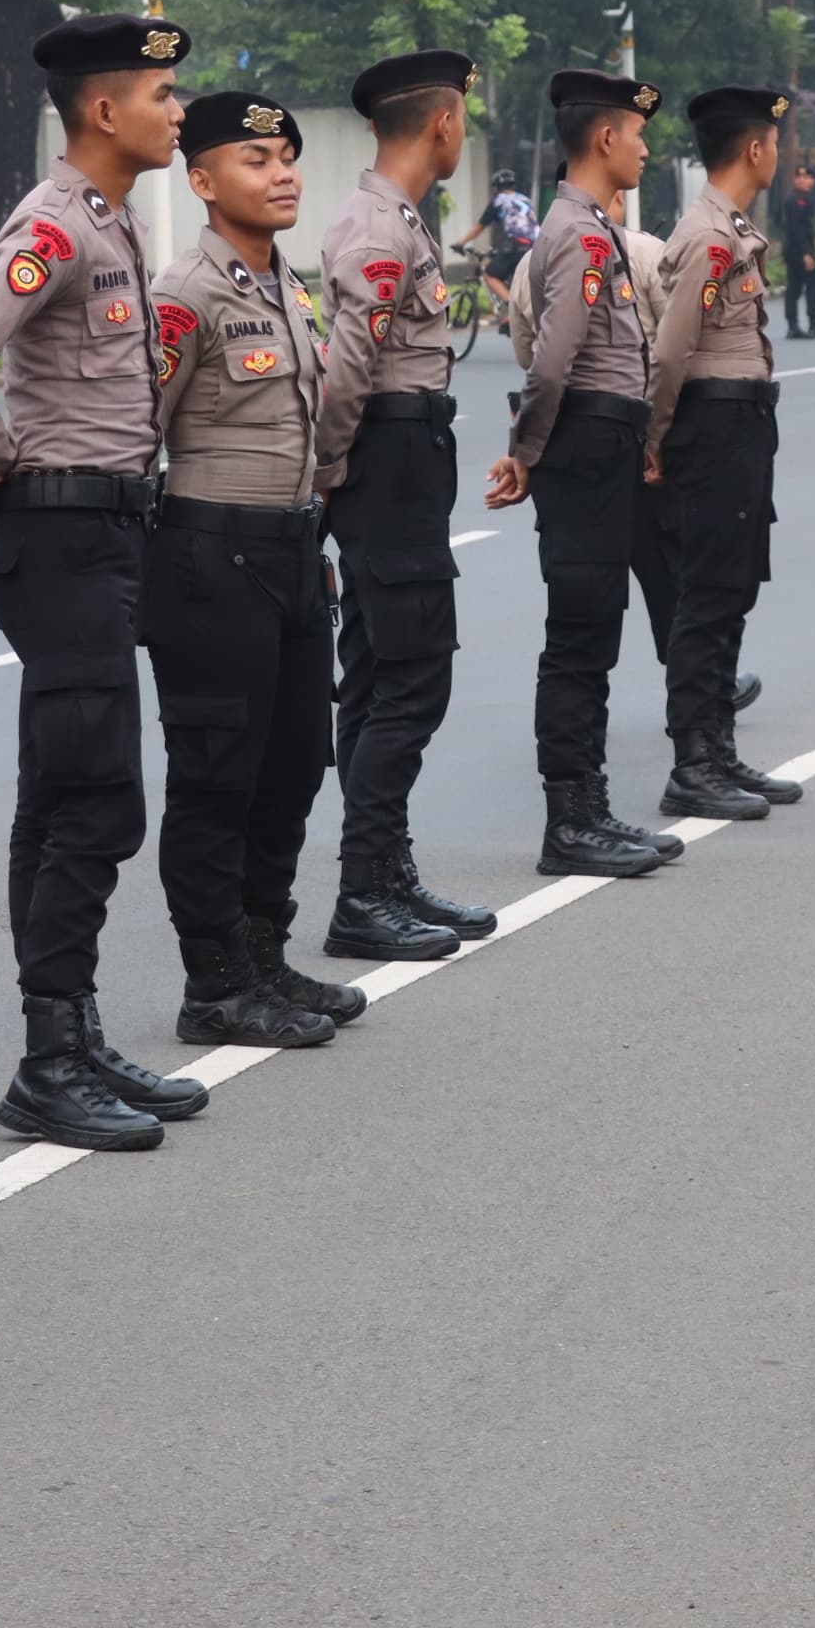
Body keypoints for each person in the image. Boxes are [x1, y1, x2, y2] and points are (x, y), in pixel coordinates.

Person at [0, 13, 210, 1150]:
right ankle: (48, 1055)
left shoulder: (110, 223)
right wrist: (0, 469)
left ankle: (69, 1031)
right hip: (63, 533)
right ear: (103, 109)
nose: (176, 111)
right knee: (94, 791)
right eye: (163, 93)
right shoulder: (54, 225)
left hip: (101, 534)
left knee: (65, 785)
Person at [141, 92, 359, 1049]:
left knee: (292, 764)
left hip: (291, 553)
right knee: (217, 774)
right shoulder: (184, 294)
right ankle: (215, 982)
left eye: (287, 159)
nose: (282, 175)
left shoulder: (287, 287)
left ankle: (264, 951)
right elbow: (134, 430)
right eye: (256, 160)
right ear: (201, 180)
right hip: (209, 556)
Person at [313, 49, 501, 962]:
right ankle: (362, 890)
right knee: (412, 677)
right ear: (443, 124)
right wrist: (330, 469)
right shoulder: (380, 230)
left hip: (400, 459)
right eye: (462, 113)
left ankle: (384, 871)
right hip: (387, 462)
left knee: (383, 674)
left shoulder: (397, 222)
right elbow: (349, 368)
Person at [482, 68, 681, 879]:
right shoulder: (579, 235)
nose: (645, 150)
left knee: (593, 635)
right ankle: (570, 820)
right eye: (637, 135)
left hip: (604, 441)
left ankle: (589, 809)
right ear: (605, 139)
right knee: (578, 640)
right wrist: (526, 453)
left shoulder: (587, 227)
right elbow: (556, 358)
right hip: (585, 447)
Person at [645, 88, 804, 823]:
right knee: (707, 597)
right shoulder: (709, 237)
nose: (781, 152)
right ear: (754, 149)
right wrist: (654, 439)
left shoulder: (729, 228)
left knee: (733, 588)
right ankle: (691, 764)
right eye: (776, 140)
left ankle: (719, 750)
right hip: (710, 427)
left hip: (739, 424)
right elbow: (672, 350)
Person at [457, 166, 539, 288]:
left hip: (515, 247)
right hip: (536, 247)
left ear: (495, 188)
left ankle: (509, 303)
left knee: (489, 276)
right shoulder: (525, 199)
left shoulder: (498, 201)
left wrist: (461, 243)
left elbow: (480, 226)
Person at [778, 165, 815, 338]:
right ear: (795, 180)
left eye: (810, 178)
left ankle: (803, 325)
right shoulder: (794, 201)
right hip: (798, 252)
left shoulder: (804, 199)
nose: (807, 181)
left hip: (798, 249)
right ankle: (801, 325)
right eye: (803, 177)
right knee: (804, 287)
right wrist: (806, 253)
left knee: (798, 287)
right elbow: (796, 229)